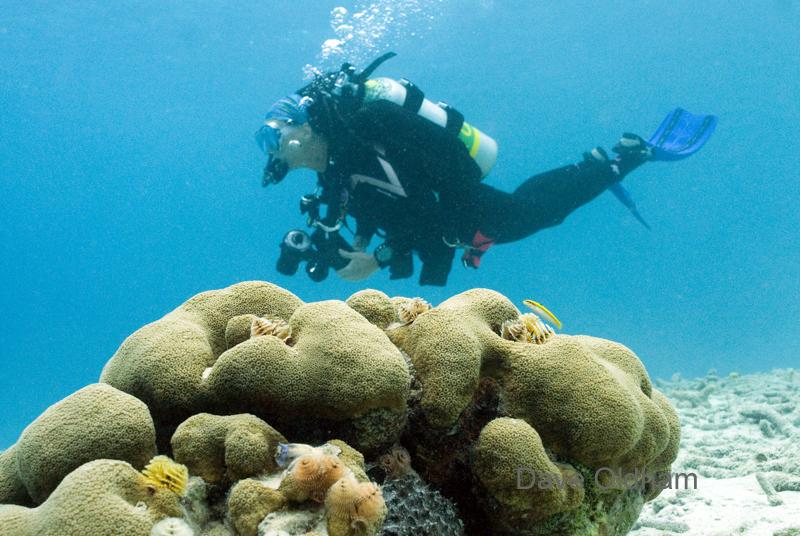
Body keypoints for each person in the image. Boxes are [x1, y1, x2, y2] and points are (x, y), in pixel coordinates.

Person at [255, 55, 714, 286]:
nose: (272, 150)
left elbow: (424, 196)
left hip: (459, 203)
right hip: (449, 209)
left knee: (538, 214)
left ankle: (629, 157)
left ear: (304, 129)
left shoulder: (368, 126)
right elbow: (375, 200)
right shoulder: (336, 165)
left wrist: (379, 259)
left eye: (273, 136)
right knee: (526, 207)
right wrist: (356, 244)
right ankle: (595, 164)